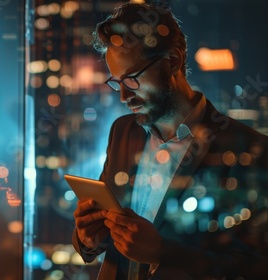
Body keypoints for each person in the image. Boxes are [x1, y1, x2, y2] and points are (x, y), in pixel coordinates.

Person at [71, 2, 268, 280]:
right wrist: (89, 238)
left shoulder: (246, 148)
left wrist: (162, 252)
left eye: (132, 80)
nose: (123, 97)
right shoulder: (122, 131)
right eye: (116, 82)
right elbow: (108, 237)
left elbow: (254, 268)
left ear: (173, 61)